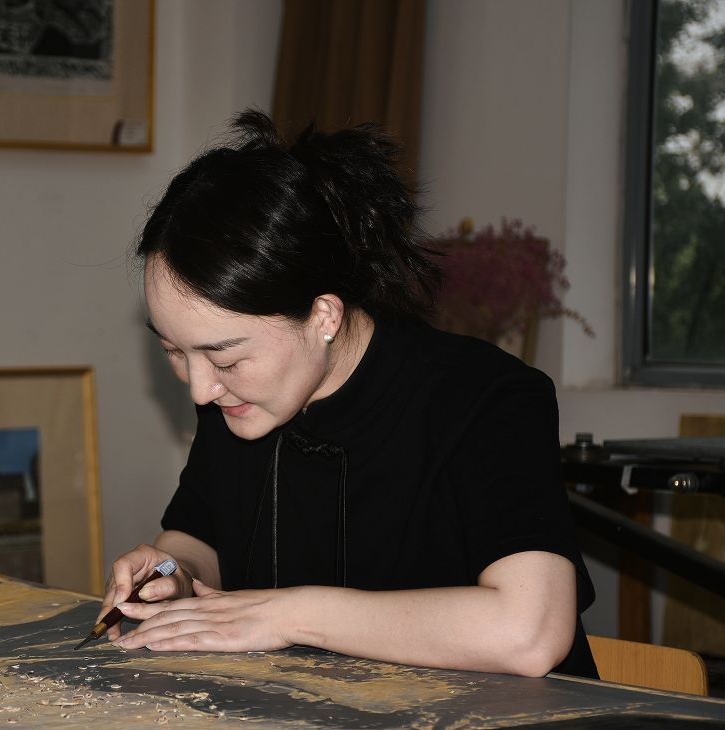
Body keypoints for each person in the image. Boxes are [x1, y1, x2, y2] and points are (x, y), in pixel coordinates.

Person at [101, 109, 598, 679]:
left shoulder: (487, 397)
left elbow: (530, 633)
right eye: (174, 351)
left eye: (226, 358)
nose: (200, 387)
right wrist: (172, 574)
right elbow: (198, 538)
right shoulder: (240, 398)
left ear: (324, 315)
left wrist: (288, 615)